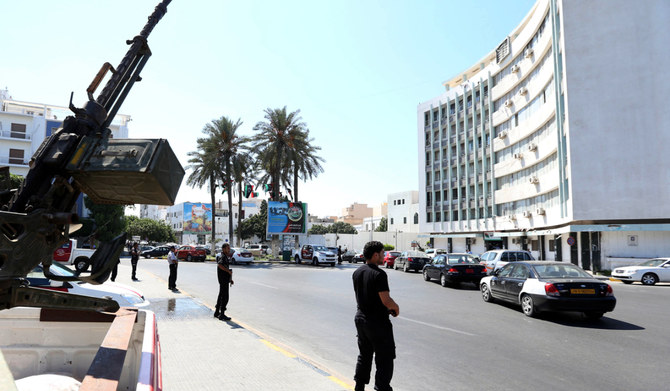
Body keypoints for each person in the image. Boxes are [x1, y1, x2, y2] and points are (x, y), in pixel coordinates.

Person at [352, 241, 399, 391]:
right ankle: (381, 388)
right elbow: (386, 300)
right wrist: (395, 308)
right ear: (375, 255)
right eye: (383, 253)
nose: (384, 256)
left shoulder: (357, 272)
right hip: (377, 322)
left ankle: (359, 386)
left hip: (361, 319)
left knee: (364, 355)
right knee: (385, 358)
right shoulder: (379, 274)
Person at [215, 243, 234, 320]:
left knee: (221, 296)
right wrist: (228, 271)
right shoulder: (222, 256)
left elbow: (225, 267)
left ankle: (217, 312)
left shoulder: (225, 256)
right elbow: (220, 265)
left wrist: (230, 279)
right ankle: (222, 314)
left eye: (229, 248)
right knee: (225, 297)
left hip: (225, 280)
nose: (229, 250)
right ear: (223, 249)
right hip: (223, 280)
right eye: (227, 248)